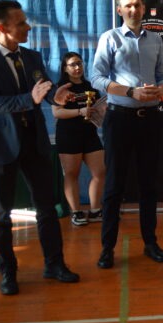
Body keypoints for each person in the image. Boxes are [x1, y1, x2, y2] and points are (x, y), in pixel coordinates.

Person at [0, 0, 79, 295]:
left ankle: (54, 264)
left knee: (47, 208)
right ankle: (7, 272)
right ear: (2, 28)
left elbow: (44, 88)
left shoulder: (32, 57)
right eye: (21, 23)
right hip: (1, 144)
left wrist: (56, 96)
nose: (28, 27)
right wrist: (31, 99)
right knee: (0, 214)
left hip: (35, 142)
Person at [91, 0, 163, 269]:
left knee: (149, 184)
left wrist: (160, 89)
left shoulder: (156, 39)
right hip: (119, 119)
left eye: (137, 5)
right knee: (114, 185)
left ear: (144, 8)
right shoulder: (109, 38)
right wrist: (130, 92)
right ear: (120, 10)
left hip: (150, 119)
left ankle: (150, 242)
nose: (133, 10)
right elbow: (96, 77)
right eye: (128, 6)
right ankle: (107, 248)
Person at [52, 52, 105, 226]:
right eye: (73, 64)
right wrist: (79, 112)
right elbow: (57, 113)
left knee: (100, 172)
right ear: (65, 68)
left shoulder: (90, 86)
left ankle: (95, 210)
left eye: (80, 63)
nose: (77, 67)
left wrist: (101, 112)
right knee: (71, 174)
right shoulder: (60, 88)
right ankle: (76, 212)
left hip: (90, 134)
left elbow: (97, 108)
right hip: (68, 135)